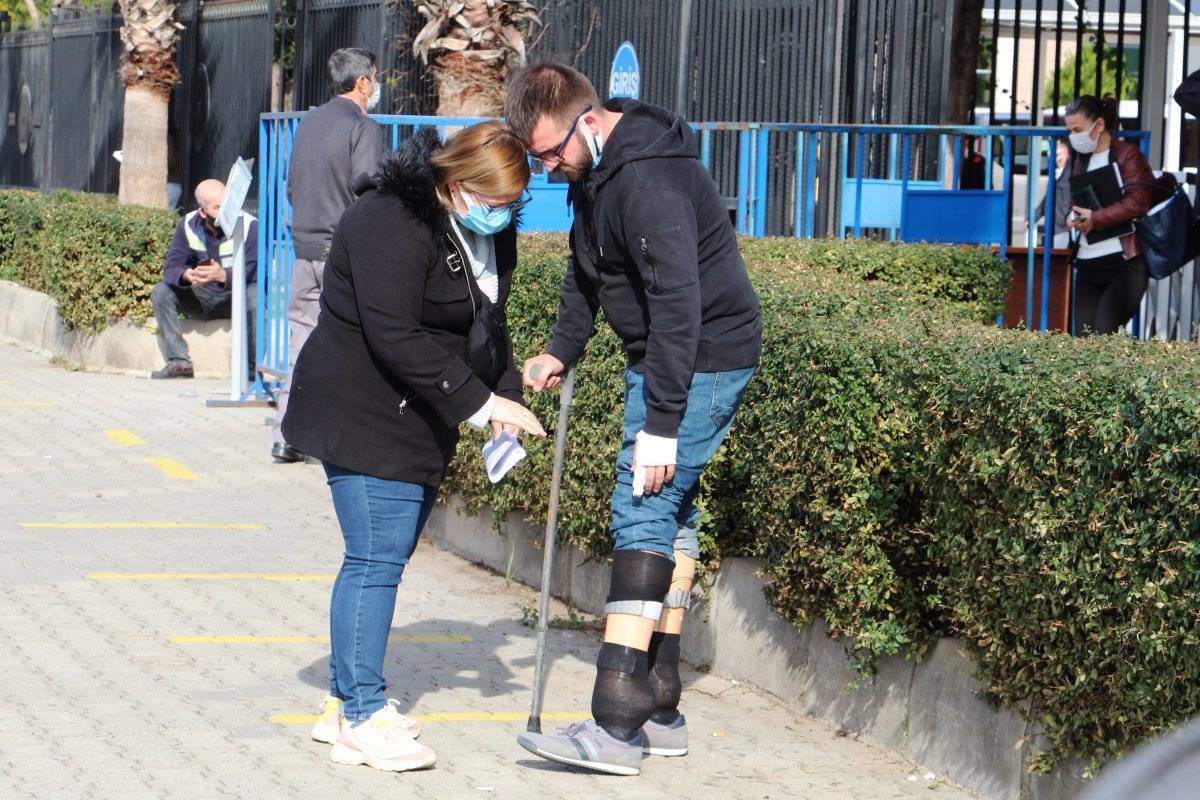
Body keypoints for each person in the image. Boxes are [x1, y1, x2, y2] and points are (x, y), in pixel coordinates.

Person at [505, 63, 762, 776]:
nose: (549, 170)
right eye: (537, 159)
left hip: (699, 358)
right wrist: (561, 348)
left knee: (643, 506)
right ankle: (661, 709)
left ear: (587, 121)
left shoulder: (647, 183)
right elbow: (587, 270)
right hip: (670, 357)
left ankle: (616, 722)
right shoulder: (597, 169)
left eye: (551, 153)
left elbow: (679, 305)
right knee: (671, 509)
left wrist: (662, 424)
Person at [281, 121, 547, 772]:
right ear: (454, 181)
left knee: (381, 557)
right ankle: (362, 716)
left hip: (421, 417)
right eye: (492, 201)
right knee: (375, 560)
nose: (501, 215)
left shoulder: (490, 231)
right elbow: (394, 332)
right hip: (364, 412)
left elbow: (489, 325)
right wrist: (483, 406)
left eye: (511, 204)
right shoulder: (389, 219)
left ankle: (343, 703)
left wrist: (506, 396)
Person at [271, 47, 387, 463]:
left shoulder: (309, 123)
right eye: (375, 77)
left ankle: (287, 435)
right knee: (354, 344)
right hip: (344, 256)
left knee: (301, 342)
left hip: (304, 251)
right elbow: (370, 193)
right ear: (362, 82)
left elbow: (291, 187)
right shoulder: (363, 128)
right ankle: (344, 440)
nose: (377, 84)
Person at [1064, 95, 1153, 336]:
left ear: (1099, 125)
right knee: (1083, 341)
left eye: (1077, 130)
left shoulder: (1128, 155)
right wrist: (1074, 216)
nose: (1073, 136)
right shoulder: (1081, 160)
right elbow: (1076, 197)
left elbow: (1138, 202)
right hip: (1088, 264)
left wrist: (1096, 218)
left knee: (1103, 337)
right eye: (1070, 131)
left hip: (1123, 265)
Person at [150, 179, 257, 379]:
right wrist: (185, 275)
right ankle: (179, 362)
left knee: (255, 294)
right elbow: (171, 267)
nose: (224, 211)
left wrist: (223, 275)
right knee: (161, 291)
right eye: (217, 207)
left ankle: (250, 369)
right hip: (201, 297)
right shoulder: (188, 224)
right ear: (202, 211)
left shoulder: (249, 225)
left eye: (227, 204)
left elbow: (256, 270)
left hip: (234, 298)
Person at [1030, 138, 1071, 248]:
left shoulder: (1072, 171)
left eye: (1058, 147)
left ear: (1067, 149)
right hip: (1054, 226)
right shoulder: (1055, 172)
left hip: (1064, 227)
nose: (1052, 152)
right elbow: (1048, 198)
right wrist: (1033, 217)